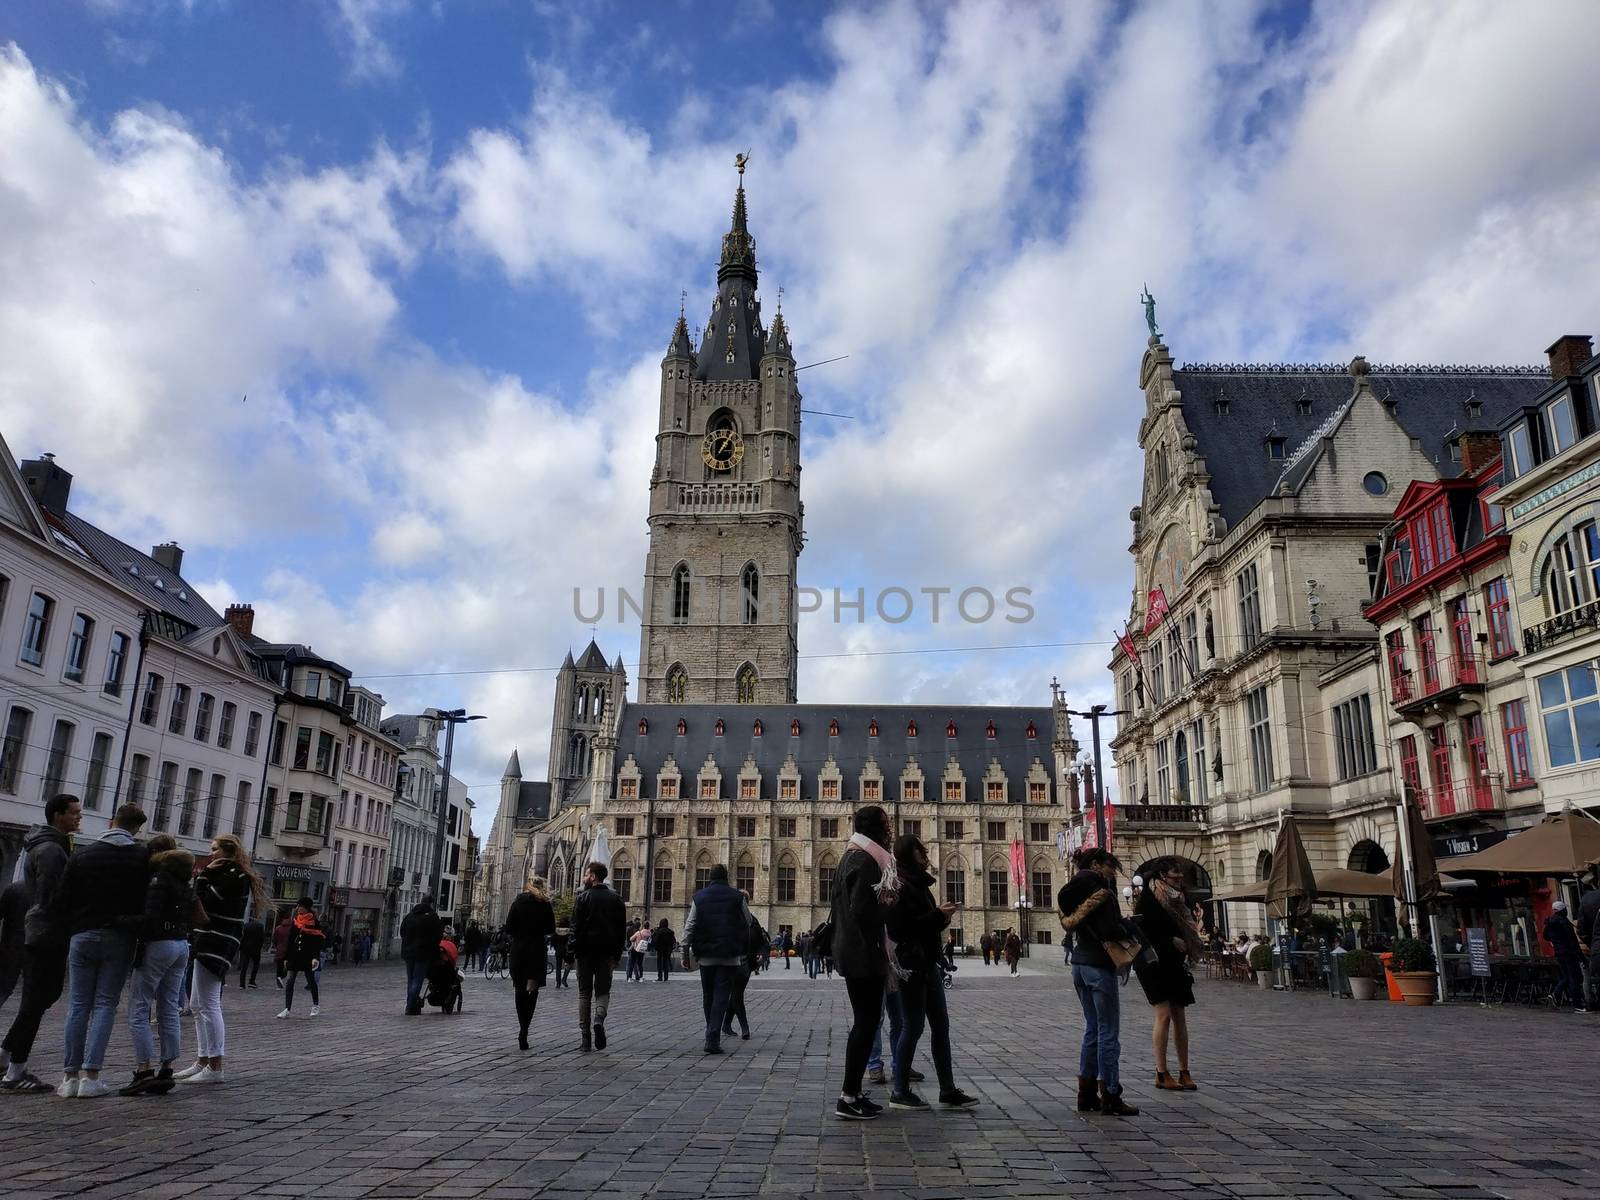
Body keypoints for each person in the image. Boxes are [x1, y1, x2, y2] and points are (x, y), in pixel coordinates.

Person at [54, 803, 150, 1097]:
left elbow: (63, 898)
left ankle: (69, 1077)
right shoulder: (141, 856)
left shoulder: (83, 854)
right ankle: (91, 1075)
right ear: (136, 828)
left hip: (82, 934)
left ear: (112, 822)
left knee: (78, 1005)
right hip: (118, 937)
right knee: (106, 1004)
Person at [883, 834, 979, 1110]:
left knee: (941, 1027)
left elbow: (923, 927)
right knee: (912, 1028)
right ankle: (900, 1091)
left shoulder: (918, 883)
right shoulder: (899, 884)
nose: (926, 855)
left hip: (928, 964)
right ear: (910, 854)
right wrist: (938, 916)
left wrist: (939, 918)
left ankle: (947, 1090)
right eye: (921, 851)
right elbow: (901, 929)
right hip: (912, 966)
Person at [0, 793, 81, 1093]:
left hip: (42, 929)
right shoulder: (50, 850)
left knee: (40, 999)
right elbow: (52, 895)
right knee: (36, 1000)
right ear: (58, 815)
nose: (78, 817)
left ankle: (7, 1056)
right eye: (74, 812)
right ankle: (15, 1072)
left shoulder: (49, 845)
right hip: (48, 932)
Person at [177, 834, 265, 1085]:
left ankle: (215, 1065)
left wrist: (202, 874)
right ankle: (202, 1060)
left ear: (228, 851)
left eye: (215, 849)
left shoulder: (235, 877)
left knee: (209, 1003)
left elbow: (206, 899)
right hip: (206, 938)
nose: (211, 853)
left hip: (218, 941)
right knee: (196, 1004)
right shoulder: (227, 874)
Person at [830, 804, 899, 1121]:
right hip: (862, 954)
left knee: (867, 1023)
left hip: (854, 951)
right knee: (865, 1023)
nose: (890, 830)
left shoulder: (852, 855)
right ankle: (847, 1096)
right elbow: (862, 911)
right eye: (886, 824)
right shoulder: (866, 860)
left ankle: (854, 1093)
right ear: (875, 828)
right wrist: (888, 904)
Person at [1058, 846, 1138, 1117]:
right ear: (1095, 865)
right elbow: (1109, 928)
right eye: (1109, 866)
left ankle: (1086, 1094)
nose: (1112, 872)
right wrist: (1128, 927)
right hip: (1099, 965)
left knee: (1092, 1028)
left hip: (1079, 964)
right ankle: (1111, 1094)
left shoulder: (1070, 889)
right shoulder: (1101, 891)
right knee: (1108, 1031)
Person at [121, 846, 195, 1095]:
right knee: (169, 1006)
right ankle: (167, 1067)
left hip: (159, 943)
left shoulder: (159, 882)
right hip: (181, 943)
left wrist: (119, 921)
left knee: (139, 1006)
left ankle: (144, 1069)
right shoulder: (186, 885)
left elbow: (150, 917)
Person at [1133, 857, 1204, 1091]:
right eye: (1175, 874)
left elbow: (1188, 925)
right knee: (1163, 1015)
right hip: (1153, 962)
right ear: (1163, 876)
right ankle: (1161, 1073)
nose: (1180, 877)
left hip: (1175, 962)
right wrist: (1169, 939)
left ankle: (1184, 1071)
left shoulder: (1180, 899)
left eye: (1180, 873)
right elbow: (1141, 931)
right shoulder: (1149, 898)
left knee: (1179, 1015)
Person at [684, 866, 752, 1053]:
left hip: (705, 955)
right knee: (722, 996)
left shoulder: (699, 897)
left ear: (710, 878)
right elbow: (748, 921)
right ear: (726, 877)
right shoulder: (737, 897)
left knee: (708, 995)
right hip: (729, 954)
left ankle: (711, 1032)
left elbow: (690, 926)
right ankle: (712, 1035)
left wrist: (684, 950)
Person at [572, 862, 625, 1052]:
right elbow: (621, 933)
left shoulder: (582, 898)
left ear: (593, 876)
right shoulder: (616, 899)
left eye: (586, 874)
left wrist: (572, 952)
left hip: (585, 953)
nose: (584, 877)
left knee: (584, 993)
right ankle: (599, 1019)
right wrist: (616, 955)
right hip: (606, 954)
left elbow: (576, 929)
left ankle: (585, 1039)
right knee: (603, 991)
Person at [505, 877, 556, 1050]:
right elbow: (550, 928)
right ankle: (525, 1028)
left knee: (519, 989)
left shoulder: (518, 901)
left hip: (519, 949)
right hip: (536, 949)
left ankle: (522, 1028)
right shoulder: (545, 903)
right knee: (532, 990)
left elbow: (509, 927)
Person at [278, 898, 325, 1018]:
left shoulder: (314, 922)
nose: (298, 908)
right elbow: (290, 940)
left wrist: (315, 957)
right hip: (295, 956)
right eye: (298, 906)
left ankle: (315, 1005)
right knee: (290, 981)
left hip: (307, 956)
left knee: (310, 980)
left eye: (300, 906)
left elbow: (317, 941)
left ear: (307, 907)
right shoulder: (295, 921)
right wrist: (286, 957)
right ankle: (287, 1008)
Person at [400, 898, 444, 1015]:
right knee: (418, 980)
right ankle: (410, 1005)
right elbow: (438, 935)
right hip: (423, 953)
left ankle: (411, 1004)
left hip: (408, 953)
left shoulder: (410, 916)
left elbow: (402, 932)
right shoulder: (432, 917)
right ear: (431, 904)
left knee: (411, 980)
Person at [1544, 901, 1585, 1012]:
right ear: (1563, 911)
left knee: (1566, 977)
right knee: (1574, 979)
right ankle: (1578, 1005)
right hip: (1568, 953)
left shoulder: (1550, 923)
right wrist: (1581, 956)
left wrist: (1556, 941)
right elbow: (1573, 941)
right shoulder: (1564, 923)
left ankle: (1555, 994)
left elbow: (1546, 937)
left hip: (1559, 953)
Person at [237, 916, 265, 990]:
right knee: (255, 965)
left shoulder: (246, 926)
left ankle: (242, 984)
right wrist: (260, 947)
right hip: (256, 949)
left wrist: (241, 947)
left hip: (246, 948)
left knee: (244, 967)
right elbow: (262, 938)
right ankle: (252, 981)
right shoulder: (260, 926)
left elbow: (242, 937)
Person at [271, 912, 292, 987]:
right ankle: (282, 977)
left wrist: (277, 946)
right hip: (288, 951)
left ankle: (278, 983)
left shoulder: (278, 928)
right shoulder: (292, 928)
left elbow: (274, 940)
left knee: (279, 968)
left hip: (280, 950)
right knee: (287, 968)